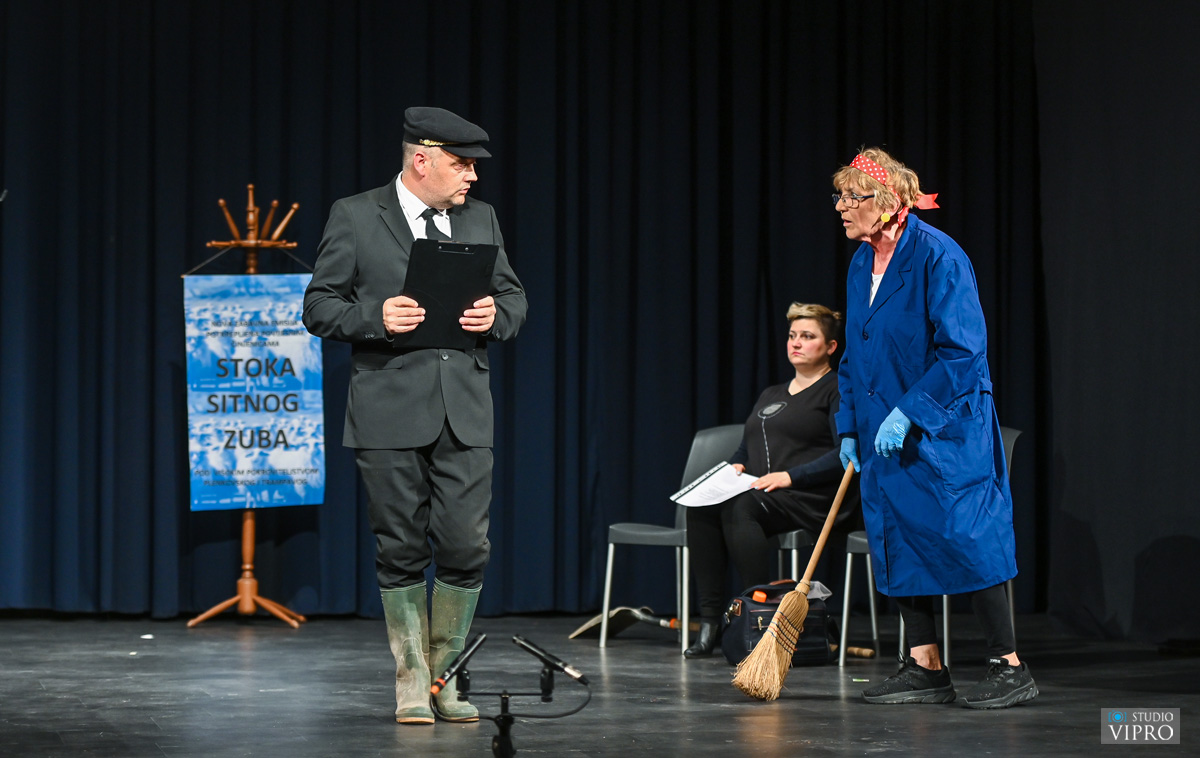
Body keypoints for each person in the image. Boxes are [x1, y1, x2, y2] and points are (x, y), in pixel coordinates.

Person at [303, 107, 527, 724]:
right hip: (388, 408)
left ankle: (445, 680)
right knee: (400, 545)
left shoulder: (480, 217)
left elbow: (513, 297)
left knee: (466, 544)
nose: (472, 177)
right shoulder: (356, 214)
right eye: (462, 164)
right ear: (421, 161)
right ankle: (412, 679)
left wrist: (496, 315)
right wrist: (374, 317)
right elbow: (319, 305)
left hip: (464, 410)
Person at [832, 148, 1037, 709]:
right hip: (880, 428)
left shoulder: (938, 255)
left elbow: (963, 352)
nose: (842, 208)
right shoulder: (860, 265)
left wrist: (909, 412)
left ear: (887, 202)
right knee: (896, 532)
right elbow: (854, 354)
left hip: (944, 425)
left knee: (968, 534)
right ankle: (924, 665)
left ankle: (1008, 665)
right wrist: (848, 425)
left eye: (852, 197)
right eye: (839, 197)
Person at [684, 303, 860, 658]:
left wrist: (791, 476)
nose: (796, 343)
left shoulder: (837, 390)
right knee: (701, 508)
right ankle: (710, 622)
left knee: (741, 508)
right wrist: (736, 466)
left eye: (807, 336)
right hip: (769, 493)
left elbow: (844, 455)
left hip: (811, 496)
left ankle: (760, 614)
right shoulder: (771, 393)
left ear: (830, 347)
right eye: (792, 335)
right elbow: (744, 447)